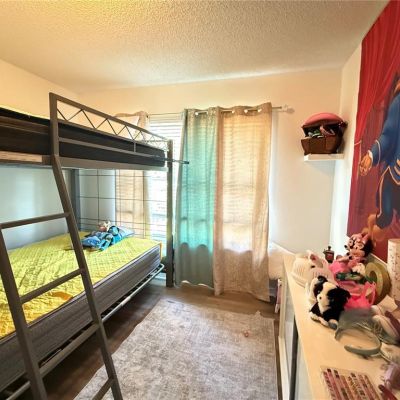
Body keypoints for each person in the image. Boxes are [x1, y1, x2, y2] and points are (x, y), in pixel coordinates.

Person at [359, 80, 400, 242]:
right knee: (384, 221)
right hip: (395, 175)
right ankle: (372, 222)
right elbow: (388, 135)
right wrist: (371, 155)